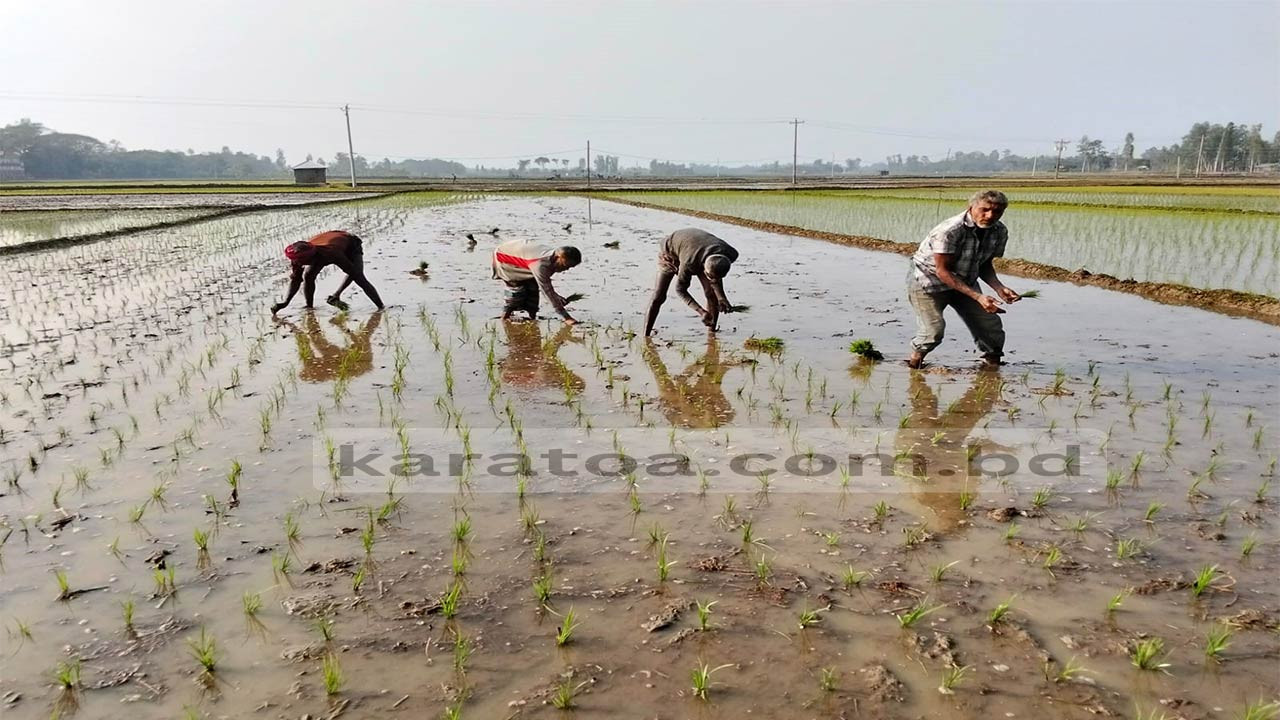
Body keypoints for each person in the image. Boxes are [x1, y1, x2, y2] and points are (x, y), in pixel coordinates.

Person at [906, 190, 1020, 369]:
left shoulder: (998, 231)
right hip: (928, 282)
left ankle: (992, 369)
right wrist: (978, 297)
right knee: (932, 332)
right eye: (984, 209)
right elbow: (943, 272)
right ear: (971, 207)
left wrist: (999, 287)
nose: (990, 216)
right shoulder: (950, 230)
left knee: (989, 326)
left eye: (997, 212)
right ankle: (914, 365)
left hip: (965, 279)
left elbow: (984, 264)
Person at [643, 228, 738, 337]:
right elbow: (680, 290)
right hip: (671, 251)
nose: (713, 281)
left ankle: (711, 333)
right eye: (710, 276)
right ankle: (645, 335)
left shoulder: (731, 254)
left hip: (697, 249)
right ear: (703, 268)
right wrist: (701, 311)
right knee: (658, 296)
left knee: (711, 294)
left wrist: (722, 298)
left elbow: (715, 278)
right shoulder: (689, 263)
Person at [271, 230, 385, 313]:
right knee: (308, 276)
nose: (300, 264)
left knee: (356, 273)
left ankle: (337, 296)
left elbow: (358, 278)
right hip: (328, 239)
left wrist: (381, 308)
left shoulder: (332, 254)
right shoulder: (297, 258)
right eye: (298, 262)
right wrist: (285, 302)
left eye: (304, 262)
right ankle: (309, 306)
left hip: (350, 243)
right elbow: (296, 281)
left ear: (311, 257)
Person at [491, 238, 581, 324]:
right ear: (558, 257)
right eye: (565, 265)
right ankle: (505, 316)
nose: (565, 269)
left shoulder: (553, 260)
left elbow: (545, 285)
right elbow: (546, 290)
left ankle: (532, 317)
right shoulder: (541, 265)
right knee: (516, 288)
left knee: (533, 287)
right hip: (504, 257)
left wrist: (556, 297)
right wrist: (566, 317)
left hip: (522, 254)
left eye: (569, 267)